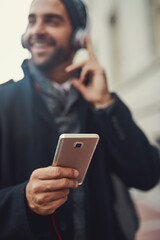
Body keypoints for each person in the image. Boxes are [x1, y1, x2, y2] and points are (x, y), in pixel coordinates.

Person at [0, 0, 159, 239]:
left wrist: (106, 105)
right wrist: (24, 200)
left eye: (52, 21)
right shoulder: (3, 101)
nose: (36, 30)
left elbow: (146, 175)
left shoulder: (101, 99)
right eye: (32, 20)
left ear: (79, 37)